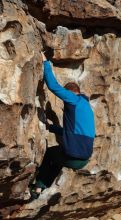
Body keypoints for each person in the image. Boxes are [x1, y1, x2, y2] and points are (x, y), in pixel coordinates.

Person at [30, 52, 95, 199]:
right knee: (59, 157)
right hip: (83, 160)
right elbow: (72, 133)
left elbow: (53, 86)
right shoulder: (86, 107)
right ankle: (41, 188)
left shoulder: (74, 99)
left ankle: (39, 186)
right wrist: (51, 127)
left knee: (51, 154)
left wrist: (45, 63)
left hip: (74, 155)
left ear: (72, 92)